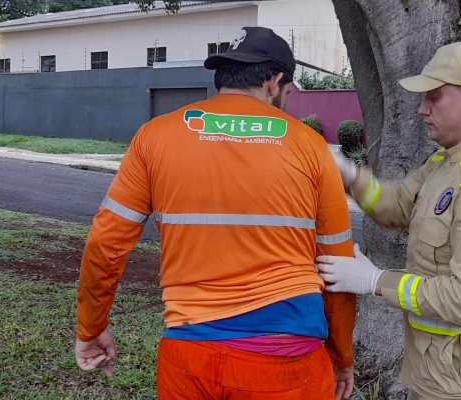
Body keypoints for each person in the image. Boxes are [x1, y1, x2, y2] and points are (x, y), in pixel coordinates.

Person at [74, 26, 357, 400]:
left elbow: (106, 241)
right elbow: (338, 263)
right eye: (287, 93)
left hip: (190, 355)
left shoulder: (155, 136)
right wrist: (341, 356)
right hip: (287, 359)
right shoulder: (311, 146)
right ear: (274, 82)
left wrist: (91, 327)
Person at [319, 42, 461, 399]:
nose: (422, 110)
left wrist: (376, 280)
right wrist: (350, 176)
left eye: (434, 97)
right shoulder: (448, 162)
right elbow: (396, 205)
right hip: (441, 377)